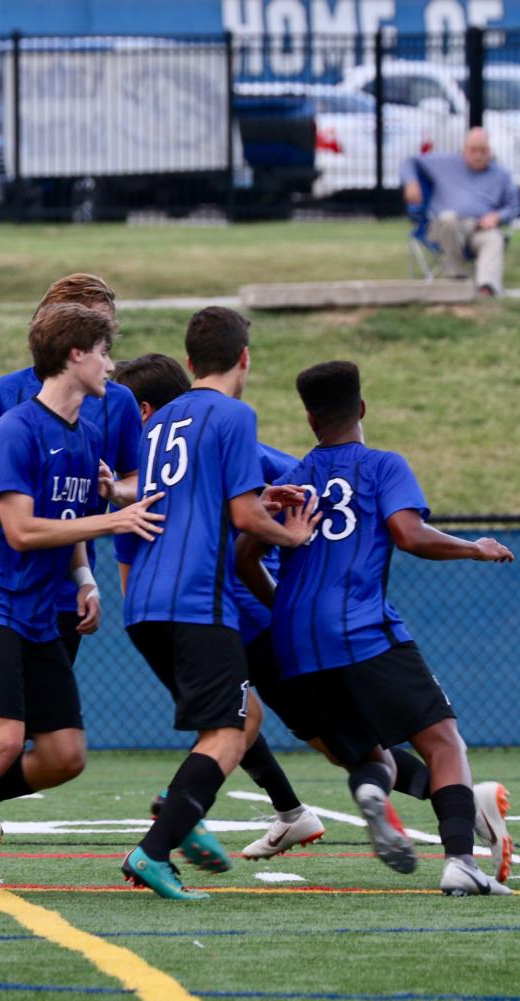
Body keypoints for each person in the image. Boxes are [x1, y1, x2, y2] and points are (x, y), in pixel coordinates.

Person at [0, 305, 166, 900]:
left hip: (42, 617)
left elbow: (64, 524)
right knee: (0, 742)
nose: (109, 364)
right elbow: (18, 531)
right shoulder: (16, 428)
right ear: (75, 355)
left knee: (66, 757)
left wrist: (85, 577)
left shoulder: (86, 434)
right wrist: (111, 518)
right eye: (102, 351)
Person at [240, 360, 514, 896]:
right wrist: (474, 548)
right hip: (360, 627)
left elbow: (245, 556)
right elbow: (409, 535)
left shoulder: (291, 479)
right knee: (443, 742)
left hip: (294, 644)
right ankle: (461, 861)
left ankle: (371, 792)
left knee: (371, 755)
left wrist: (288, 608)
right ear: (361, 409)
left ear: (310, 418)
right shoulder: (382, 465)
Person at [119, 308, 321, 901]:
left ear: (187, 363)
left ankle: (185, 819)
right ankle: (154, 851)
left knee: (241, 719)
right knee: (229, 732)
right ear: (245, 358)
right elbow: (243, 517)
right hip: (195, 601)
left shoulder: (156, 424)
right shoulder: (234, 414)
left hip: (145, 601)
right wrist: (293, 535)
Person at [402, 128, 520, 297]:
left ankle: (486, 288)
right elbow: (410, 162)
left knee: (495, 238)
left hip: (479, 229)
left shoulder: (502, 176)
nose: (478, 155)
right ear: (464, 149)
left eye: (483, 150)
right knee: (448, 218)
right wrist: (411, 182)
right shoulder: (443, 163)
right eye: (473, 150)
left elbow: (513, 207)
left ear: (490, 151)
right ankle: (456, 277)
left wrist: (497, 216)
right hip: (445, 228)